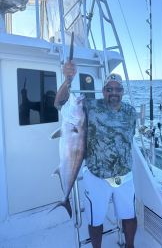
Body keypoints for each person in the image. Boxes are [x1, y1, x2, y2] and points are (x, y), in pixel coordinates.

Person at [54, 61, 137, 248]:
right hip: (96, 177)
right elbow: (59, 103)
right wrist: (67, 81)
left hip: (125, 176)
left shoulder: (130, 112)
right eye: (109, 89)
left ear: (123, 91)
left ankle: (130, 246)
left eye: (118, 89)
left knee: (130, 217)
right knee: (95, 220)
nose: (113, 92)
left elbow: (129, 137)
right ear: (103, 90)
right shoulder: (90, 107)